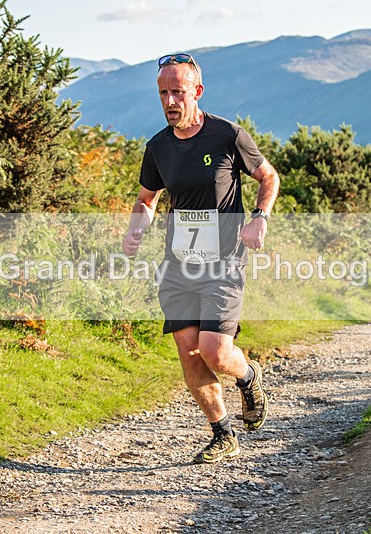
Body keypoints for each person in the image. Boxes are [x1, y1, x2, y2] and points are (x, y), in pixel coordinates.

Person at [122, 53, 280, 464]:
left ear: (197, 91)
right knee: (189, 351)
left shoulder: (228, 135)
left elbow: (269, 177)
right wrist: (137, 225)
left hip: (223, 263)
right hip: (178, 265)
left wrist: (260, 218)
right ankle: (222, 434)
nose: (170, 100)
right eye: (163, 93)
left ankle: (248, 376)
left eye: (178, 91)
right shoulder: (158, 147)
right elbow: (147, 199)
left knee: (215, 351)